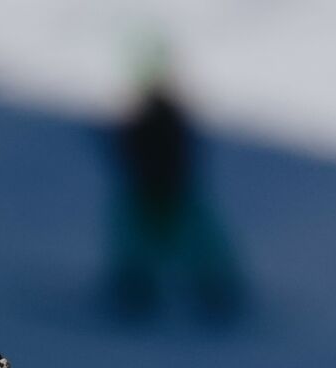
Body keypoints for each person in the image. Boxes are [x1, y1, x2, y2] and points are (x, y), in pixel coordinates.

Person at [104, 44, 242, 319]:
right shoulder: (153, 115)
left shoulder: (157, 115)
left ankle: (209, 295)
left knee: (188, 245)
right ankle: (141, 293)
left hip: (166, 191)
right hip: (154, 191)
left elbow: (172, 151)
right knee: (147, 245)